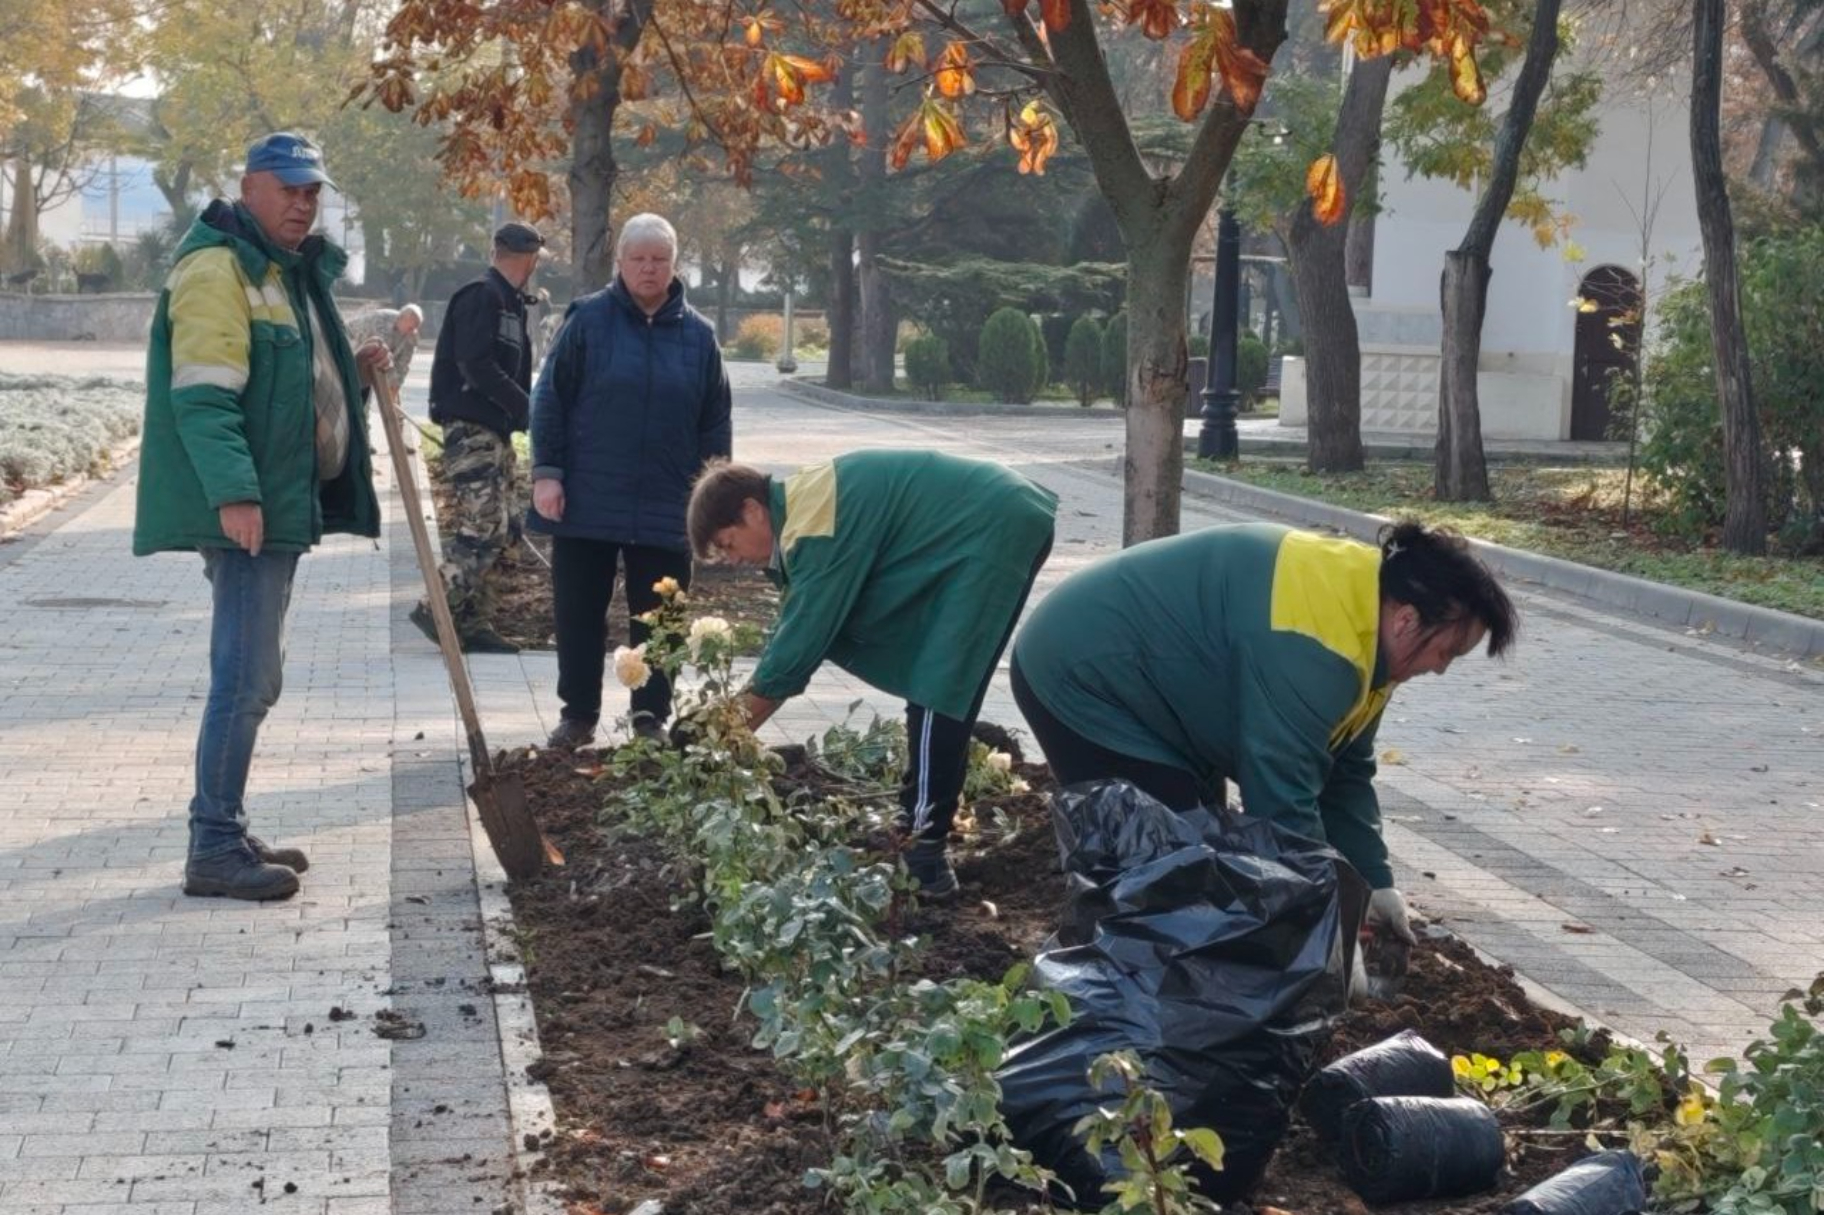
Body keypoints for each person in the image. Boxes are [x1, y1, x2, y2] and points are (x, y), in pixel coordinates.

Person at [1008, 519, 1517, 945]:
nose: (1440, 669)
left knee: (1191, 866)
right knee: (1164, 875)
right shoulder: (1319, 647)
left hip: (1153, 700)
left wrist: (1374, 882)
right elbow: (1281, 802)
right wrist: (1328, 935)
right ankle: (1095, 1005)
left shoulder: (1366, 626)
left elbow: (1345, 771)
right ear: (1407, 620)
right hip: (1085, 675)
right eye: (1446, 651)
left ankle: (1139, 992)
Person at [133, 131, 387, 901]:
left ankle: (227, 822)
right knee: (243, 680)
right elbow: (205, 398)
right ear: (250, 187)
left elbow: (295, 394)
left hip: (276, 505)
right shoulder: (219, 271)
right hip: (250, 510)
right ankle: (212, 846)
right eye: (289, 189)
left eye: (312, 192)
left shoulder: (279, 274)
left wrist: (358, 374)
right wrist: (236, 495)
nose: (303, 204)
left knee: (255, 676)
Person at [687, 451, 1058, 897]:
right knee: (933, 673)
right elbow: (798, 627)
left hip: (993, 525)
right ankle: (916, 831)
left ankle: (925, 855)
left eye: (728, 544)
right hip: (984, 522)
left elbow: (801, 643)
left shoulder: (813, 525)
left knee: (942, 683)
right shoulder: (805, 510)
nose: (731, 560)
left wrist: (726, 734)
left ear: (752, 510)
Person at [530, 213, 731, 748]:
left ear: (674, 265)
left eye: (659, 260)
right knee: (579, 613)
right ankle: (578, 715)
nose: (648, 269)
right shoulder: (587, 321)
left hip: (669, 501)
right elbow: (549, 398)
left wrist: (712, 503)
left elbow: (715, 423)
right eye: (638, 259)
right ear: (620, 263)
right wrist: (547, 474)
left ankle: (650, 718)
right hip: (588, 497)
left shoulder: (699, 337)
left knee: (661, 619)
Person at [416, 222, 545, 654]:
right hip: (470, 427)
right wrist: (526, 405)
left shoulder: (510, 302)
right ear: (533, 260)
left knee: (506, 526)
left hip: (495, 430)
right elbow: (475, 364)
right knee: (483, 524)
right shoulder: (482, 296)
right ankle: (437, 603)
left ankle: (472, 620)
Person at [344, 303, 423, 395]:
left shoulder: (411, 336)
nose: (412, 331)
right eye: (410, 328)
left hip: (367, 357)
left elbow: (403, 366)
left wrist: (395, 388)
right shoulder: (382, 321)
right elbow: (381, 360)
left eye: (415, 328)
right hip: (350, 343)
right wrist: (390, 385)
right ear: (402, 319)